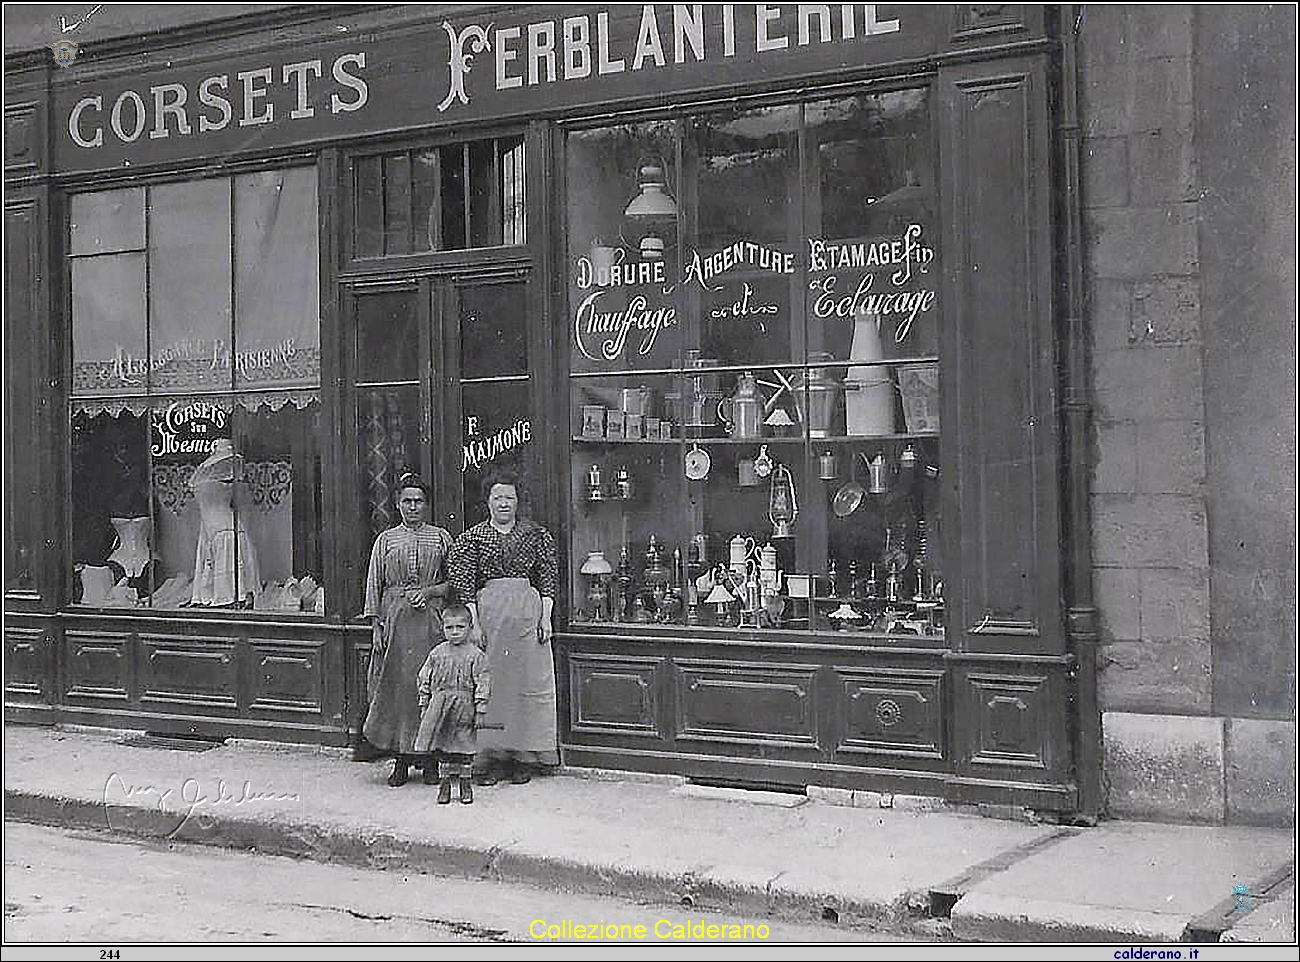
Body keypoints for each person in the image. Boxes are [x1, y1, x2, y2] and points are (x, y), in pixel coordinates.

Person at [448, 470, 558, 786]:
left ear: (518, 501)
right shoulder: (473, 538)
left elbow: (547, 578)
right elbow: (465, 583)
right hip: (490, 614)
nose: (504, 503)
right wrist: (474, 624)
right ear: (488, 501)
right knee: (492, 687)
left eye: (509, 497)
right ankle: (492, 757)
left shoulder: (535, 534)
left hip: (527, 612)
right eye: (498, 497)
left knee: (526, 684)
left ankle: (522, 756)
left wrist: (545, 617)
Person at [362, 474, 454, 787]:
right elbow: (374, 585)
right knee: (400, 691)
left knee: (429, 689)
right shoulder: (386, 540)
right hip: (396, 622)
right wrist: (376, 625)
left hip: (430, 623)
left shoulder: (441, 538)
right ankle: (401, 760)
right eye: (406, 501)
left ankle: (429, 761)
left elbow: (453, 584)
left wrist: (429, 592)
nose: (412, 507)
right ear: (398, 504)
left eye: (418, 501)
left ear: (427, 505)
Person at [414, 604, 491, 804]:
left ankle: (466, 786)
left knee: (465, 748)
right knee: (444, 748)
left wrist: (480, 708)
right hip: (441, 707)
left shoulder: (476, 655)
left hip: (464, 707)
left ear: (470, 627)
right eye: (450, 628)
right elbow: (424, 678)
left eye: (460, 627)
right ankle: (445, 786)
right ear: (443, 628)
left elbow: (483, 681)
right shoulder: (437, 653)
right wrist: (425, 703)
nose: (455, 632)